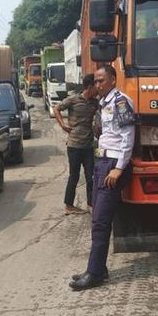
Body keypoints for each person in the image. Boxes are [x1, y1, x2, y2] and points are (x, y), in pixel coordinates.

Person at [69, 65, 135, 291]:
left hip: (113, 165)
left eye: (102, 81)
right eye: (95, 81)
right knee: (97, 217)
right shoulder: (104, 102)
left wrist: (119, 168)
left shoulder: (121, 102)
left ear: (113, 80)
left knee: (100, 221)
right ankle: (99, 268)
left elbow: (128, 136)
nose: (97, 85)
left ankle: (95, 273)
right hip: (101, 162)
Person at [54, 73, 98, 215]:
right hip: (74, 146)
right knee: (74, 176)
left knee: (91, 175)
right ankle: (69, 205)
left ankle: (91, 204)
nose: (97, 89)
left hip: (89, 145)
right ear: (90, 87)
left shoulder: (95, 102)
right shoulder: (73, 100)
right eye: (96, 86)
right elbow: (56, 109)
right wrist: (62, 125)